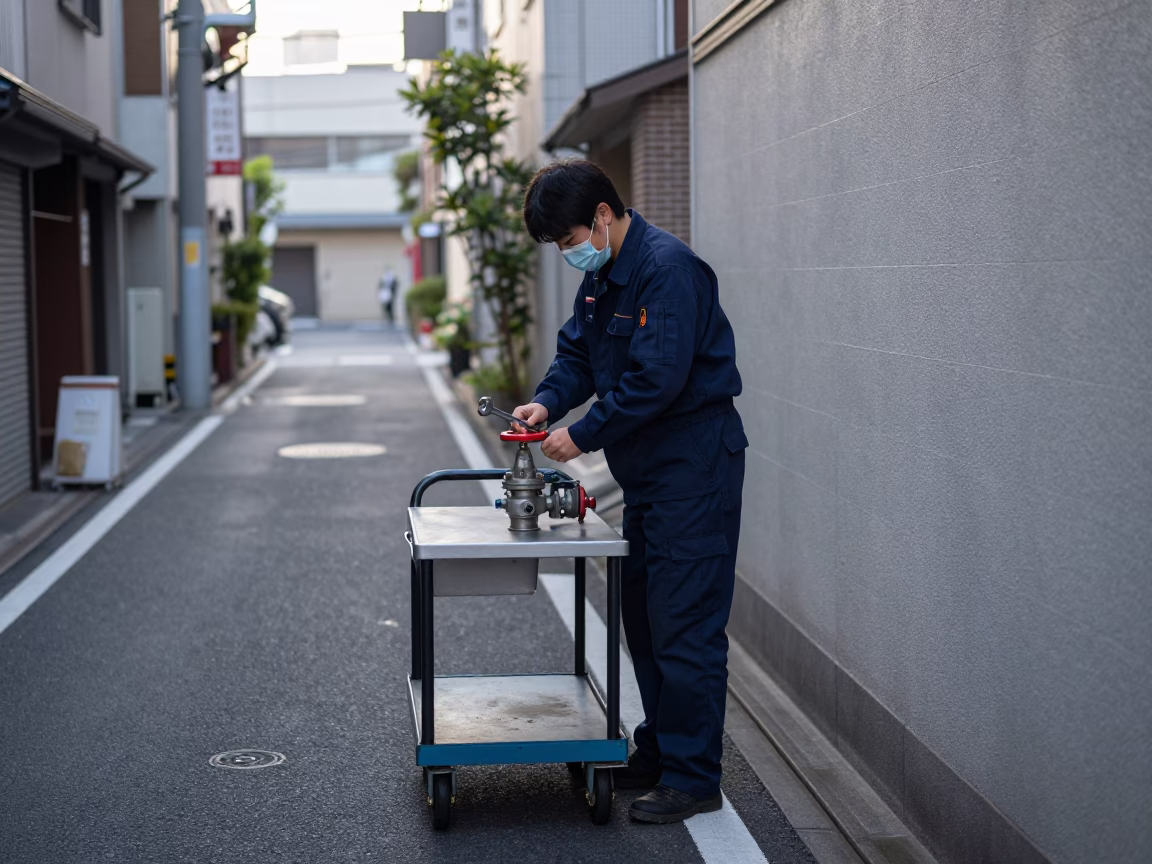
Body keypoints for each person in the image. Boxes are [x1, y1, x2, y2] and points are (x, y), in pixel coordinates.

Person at [513, 160, 747, 824]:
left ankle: (694, 777)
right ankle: (661, 751)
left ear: (603, 217)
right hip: (648, 474)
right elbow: (578, 356)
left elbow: (657, 379)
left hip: (693, 469)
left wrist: (582, 435)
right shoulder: (603, 277)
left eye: (569, 240)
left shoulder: (667, 270)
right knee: (644, 617)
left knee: (684, 623)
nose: (569, 253)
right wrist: (546, 402)